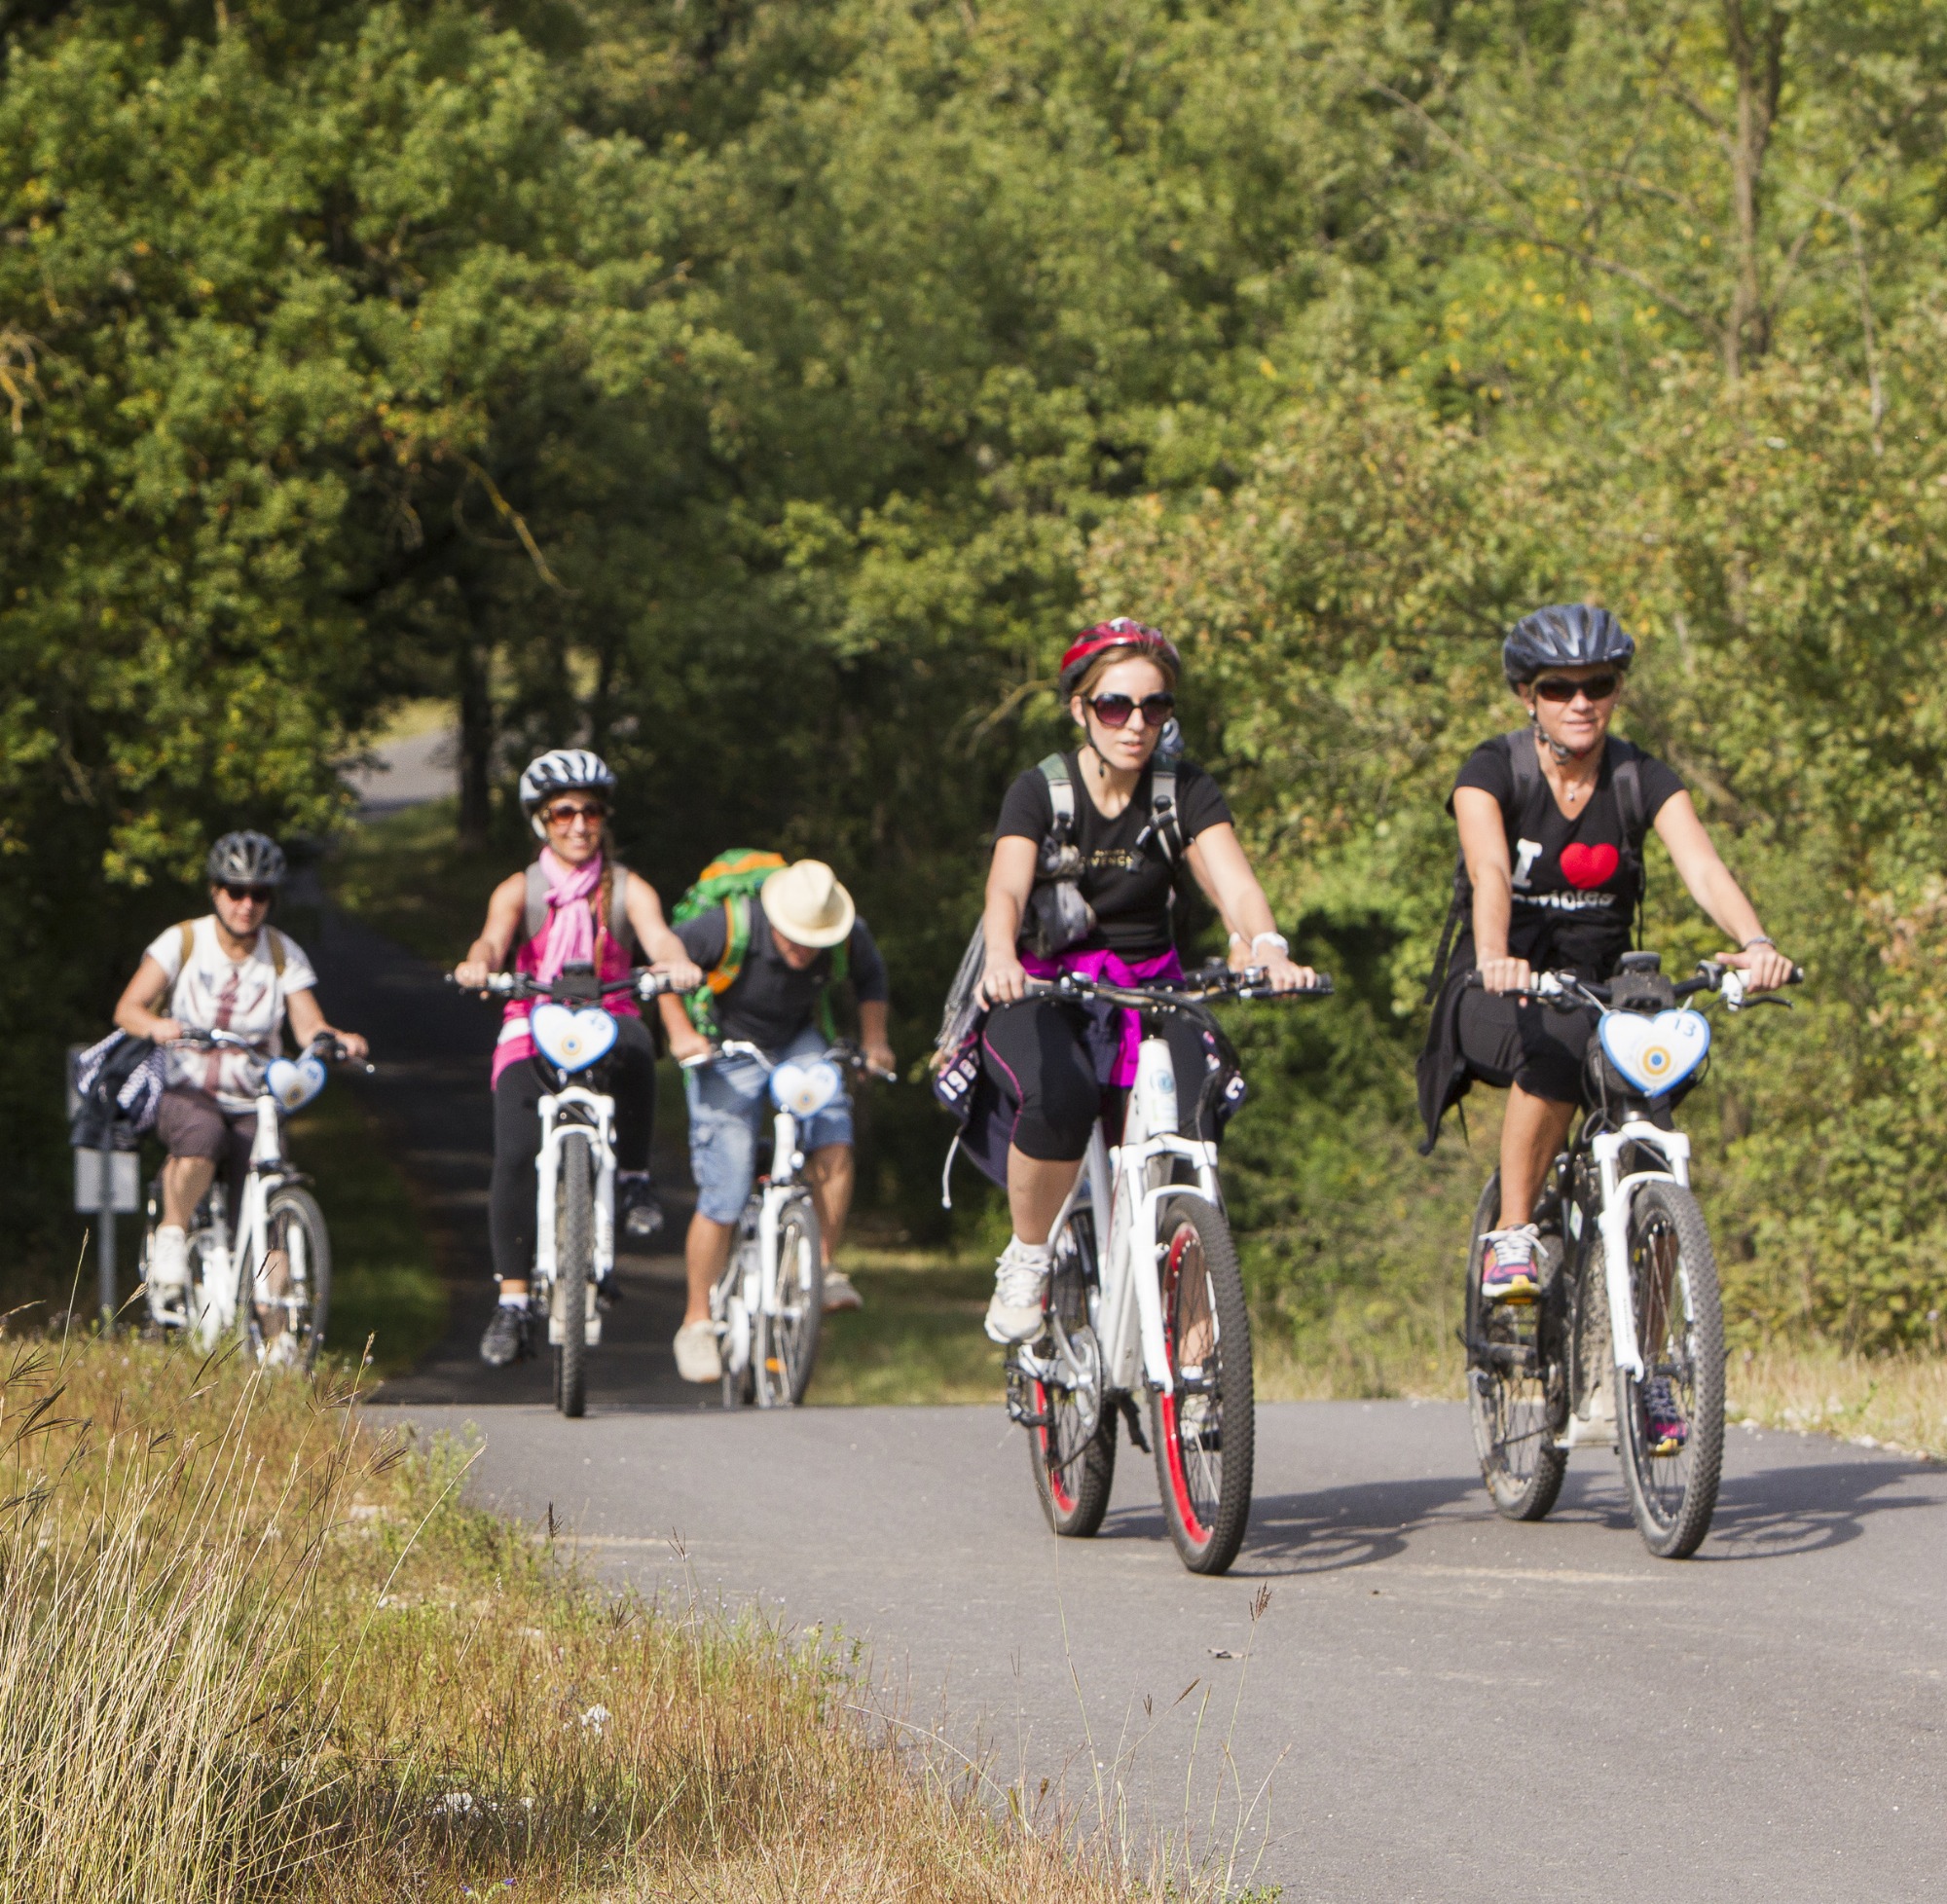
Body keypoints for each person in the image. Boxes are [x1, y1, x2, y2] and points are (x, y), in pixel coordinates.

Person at [1419, 604, 1794, 1431]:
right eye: (1560, 687)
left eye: (1599, 685)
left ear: (1618, 690)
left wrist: (1756, 942)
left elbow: (1702, 864)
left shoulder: (1637, 777)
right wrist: (1494, 954)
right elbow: (1488, 867)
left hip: (1607, 990)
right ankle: (1515, 1232)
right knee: (1550, 1061)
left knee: (1650, 1138)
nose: (1580, 702)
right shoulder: (1493, 770)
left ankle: (1654, 1370)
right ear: (1528, 694)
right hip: (1499, 986)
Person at [975, 618, 1316, 1344]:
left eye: (1155, 708)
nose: (1136, 724)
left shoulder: (1181, 790)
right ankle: (1030, 1257)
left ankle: (1196, 1352)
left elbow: (1236, 886)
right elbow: (1005, 888)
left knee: (1194, 1129)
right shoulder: (1042, 791)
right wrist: (1002, 957)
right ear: (1079, 708)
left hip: (1153, 990)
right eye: (1114, 707)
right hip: (1043, 986)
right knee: (1058, 1096)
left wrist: (1267, 946)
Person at [454, 749, 703, 1368]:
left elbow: (659, 934)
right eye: (564, 812)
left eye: (591, 812)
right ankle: (512, 1302)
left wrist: (674, 962)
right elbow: (492, 936)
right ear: (542, 820)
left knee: (640, 1047)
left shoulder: (627, 886)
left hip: (608, 1013)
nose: (578, 824)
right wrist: (481, 963)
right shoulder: (521, 889)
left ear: (604, 818)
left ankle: (636, 1181)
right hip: (530, 1021)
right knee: (513, 1152)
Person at [112, 830, 369, 1323]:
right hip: (188, 1088)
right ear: (215, 891)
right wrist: (156, 1026)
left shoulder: (281, 953)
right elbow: (128, 1008)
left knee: (269, 1182)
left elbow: (307, 1024)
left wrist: (336, 1039)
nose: (246, 904)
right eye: (236, 891)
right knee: (201, 1134)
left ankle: (277, 1334)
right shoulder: (183, 941)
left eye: (259, 894)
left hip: (254, 1098)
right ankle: (171, 1236)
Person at [658, 859, 895, 1383]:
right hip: (727, 1044)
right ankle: (696, 1322)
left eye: (815, 939)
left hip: (796, 1040)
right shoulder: (727, 924)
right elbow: (663, 963)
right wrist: (680, 1034)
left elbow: (871, 978)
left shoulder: (845, 934)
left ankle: (823, 1266)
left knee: (834, 1131)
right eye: (794, 937)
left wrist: (876, 1042)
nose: (804, 948)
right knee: (727, 1178)